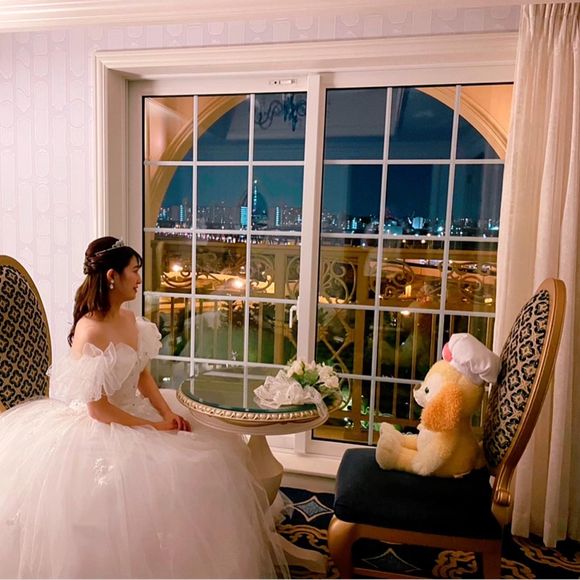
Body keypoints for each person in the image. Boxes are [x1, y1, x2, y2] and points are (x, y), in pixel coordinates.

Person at [0, 236, 288, 579]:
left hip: (134, 411)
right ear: (112, 276)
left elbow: (143, 376)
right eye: (134, 271)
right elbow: (98, 410)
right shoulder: (90, 331)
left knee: (211, 455)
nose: (139, 278)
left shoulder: (131, 320)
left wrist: (167, 414)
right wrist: (153, 427)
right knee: (171, 476)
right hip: (102, 425)